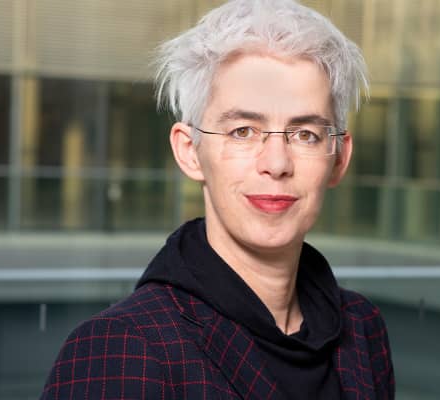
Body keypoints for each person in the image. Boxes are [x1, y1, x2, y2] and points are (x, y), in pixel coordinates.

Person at [40, 0, 394, 398]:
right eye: (243, 131)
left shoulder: (363, 328)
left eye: (305, 135)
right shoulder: (121, 348)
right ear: (190, 151)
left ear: (339, 158)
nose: (277, 164)